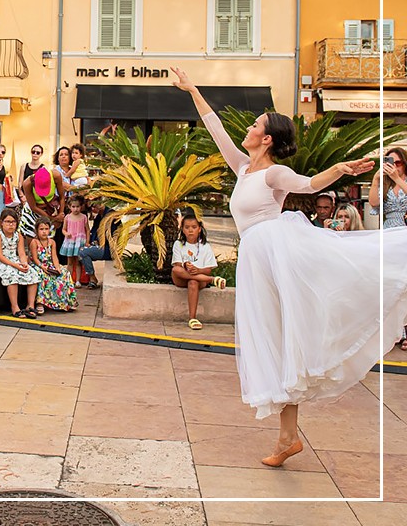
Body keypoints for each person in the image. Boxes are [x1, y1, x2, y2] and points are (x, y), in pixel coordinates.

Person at [171, 65, 407, 468]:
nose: (248, 127)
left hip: (276, 253)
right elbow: (214, 128)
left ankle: (287, 436)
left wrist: (341, 169)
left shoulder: (274, 173)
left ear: (266, 139)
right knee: (275, 342)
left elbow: (311, 184)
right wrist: (192, 89)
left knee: (283, 338)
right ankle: (287, 438)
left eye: (256, 125)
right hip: (257, 259)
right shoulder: (244, 168)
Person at [171, 210, 226, 330]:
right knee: (175, 270)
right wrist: (187, 266)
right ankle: (212, 280)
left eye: (194, 227)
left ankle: (192, 318)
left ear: (199, 229)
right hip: (181, 277)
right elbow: (177, 265)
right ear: (182, 229)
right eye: (187, 227)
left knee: (193, 282)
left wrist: (198, 270)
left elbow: (208, 269)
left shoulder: (205, 246)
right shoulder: (178, 244)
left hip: (200, 278)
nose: (190, 230)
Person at [0, 208, 39, 318]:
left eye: (13, 222)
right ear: (2, 223)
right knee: (12, 275)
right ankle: (14, 306)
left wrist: (24, 263)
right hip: (1, 262)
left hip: (14, 260)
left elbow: (21, 253)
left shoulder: (18, 235)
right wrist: (15, 265)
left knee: (32, 273)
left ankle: (30, 305)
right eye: (7, 222)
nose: (10, 225)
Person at [29, 217, 77, 313]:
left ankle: (67, 302)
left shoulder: (52, 242)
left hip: (49, 264)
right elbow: (34, 258)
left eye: (46, 229)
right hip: (38, 265)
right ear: (37, 230)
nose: (44, 232)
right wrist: (42, 267)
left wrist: (57, 267)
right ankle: (40, 302)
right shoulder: (34, 242)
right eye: (41, 229)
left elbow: (54, 256)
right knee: (43, 275)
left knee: (65, 273)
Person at [19, 166, 67, 241]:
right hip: (34, 211)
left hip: (49, 209)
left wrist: (60, 214)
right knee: (31, 236)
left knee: (48, 238)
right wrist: (53, 219)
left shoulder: (56, 176)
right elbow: (33, 207)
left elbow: (62, 197)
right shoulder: (27, 183)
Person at [77, 201, 116, 290]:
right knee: (79, 250)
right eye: (91, 208)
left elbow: (112, 235)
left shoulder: (110, 216)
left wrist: (98, 242)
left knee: (83, 252)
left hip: (108, 249)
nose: (93, 209)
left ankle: (92, 278)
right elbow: (94, 231)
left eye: (94, 206)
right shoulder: (99, 216)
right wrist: (91, 242)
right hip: (101, 246)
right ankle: (87, 278)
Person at [368, 146, 407, 229]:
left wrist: (396, 178)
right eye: (392, 163)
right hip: (389, 228)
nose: (395, 166)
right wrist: (375, 179)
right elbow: (374, 203)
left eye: (398, 163)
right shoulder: (385, 184)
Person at [61, 194, 89, 286]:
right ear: (69, 207)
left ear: (81, 207)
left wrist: (87, 241)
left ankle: (77, 280)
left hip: (79, 241)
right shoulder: (67, 217)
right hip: (70, 241)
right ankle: (69, 280)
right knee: (70, 262)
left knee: (78, 262)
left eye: (78, 206)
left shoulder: (84, 217)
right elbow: (63, 229)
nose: (76, 209)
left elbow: (87, 230)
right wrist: (66, 233)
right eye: (73, 206)